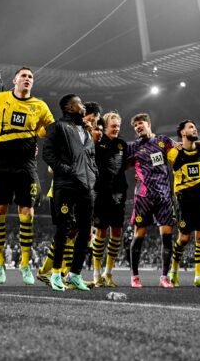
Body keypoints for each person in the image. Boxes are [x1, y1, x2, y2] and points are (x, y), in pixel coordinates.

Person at [0, 67, 54, 285]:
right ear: (14, 80)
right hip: (2, 163)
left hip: (26, 165)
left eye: (30, 77)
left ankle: (25, 264)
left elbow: (51, 131)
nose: (27, 79)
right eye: (23, 75)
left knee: (28, 212)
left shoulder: (40, 106)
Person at [42, 94, 98, 291]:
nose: (82, 106)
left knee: (85, 231)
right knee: (63, 230)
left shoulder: (86, 130)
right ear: (68, 107)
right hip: (66, 185)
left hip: (86, 186)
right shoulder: (57, 127)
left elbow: (90, 157)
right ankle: (56, 274)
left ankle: (75, 274)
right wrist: (67, 170)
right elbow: (47, 154)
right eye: (79, 103)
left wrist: (93, 174)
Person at [125, 113, 177, 288]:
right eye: (135, 126)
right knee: (138, 236)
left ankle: (164, 277)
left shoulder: (163, 141)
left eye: (140, 123)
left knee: (167, 238)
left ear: (149, 123)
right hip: (143, 197)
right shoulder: (133, 147)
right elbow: (121, 165)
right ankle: (134, 276)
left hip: (164, 196)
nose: (138, 127)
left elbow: (180, 151)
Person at [168, 120, 200, 288]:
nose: (195, 129)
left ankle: (198, 277)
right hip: (184, 197)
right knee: (184, 238)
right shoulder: (174, 152)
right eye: (190, 127)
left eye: (195, 127)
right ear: (182, 132)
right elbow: (159, 145)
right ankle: (173, 271)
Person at [89, 112, 128, 288]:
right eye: (113, 126)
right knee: (101, 233)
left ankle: (109, 273)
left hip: (119, 193)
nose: (116, 129)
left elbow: (127, 163)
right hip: (101, 193)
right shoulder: (97, 143)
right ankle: (96, 273)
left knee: (117, 232)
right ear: (105, 127)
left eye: (118, 126)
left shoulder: (122, 145)